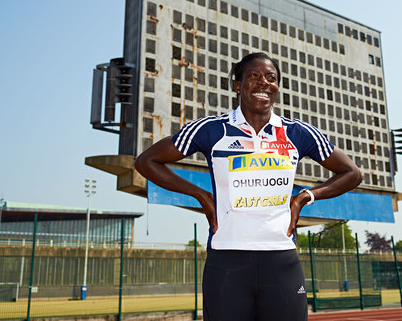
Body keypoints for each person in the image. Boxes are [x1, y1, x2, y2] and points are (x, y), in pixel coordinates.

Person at [135, 52, 362, 321]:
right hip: (227, 260)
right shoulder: (211, 129)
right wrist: (201, 195)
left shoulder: (297, 132)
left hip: (281, 258)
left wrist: (305, 197)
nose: (263, 82)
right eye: (253, 76)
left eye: (271, 78)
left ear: (277, 87)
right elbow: (147, 161)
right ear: (238, 84)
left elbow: (352, 173)